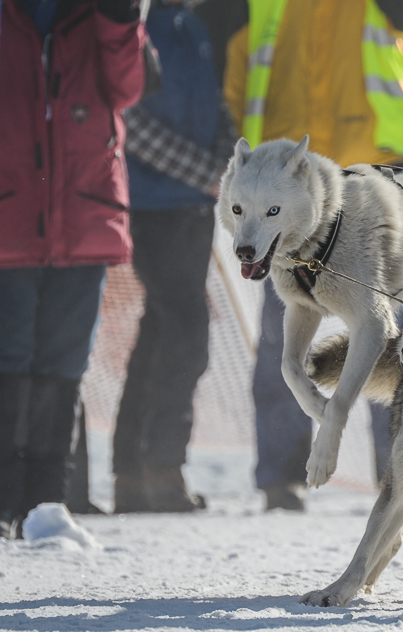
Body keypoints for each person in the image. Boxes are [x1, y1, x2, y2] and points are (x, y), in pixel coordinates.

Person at [223, 0, 403, 510]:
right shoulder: (266, 9)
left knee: (397, 332)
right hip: (292, 190)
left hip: (377, 178)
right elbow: (236, 90)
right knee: (285, 331)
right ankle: (281, 477)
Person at [0, 0, 145, 539]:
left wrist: (121, 18)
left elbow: (128, 89)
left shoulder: (102, 12)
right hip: (10, 216)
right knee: (8, 358)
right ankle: (4, 499)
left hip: (83, 214)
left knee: (62, 364)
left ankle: (45, 503)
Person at [111, 0, 236, 513]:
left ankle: (133, 476)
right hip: (150, 206)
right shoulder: (135, 25)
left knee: (162, 330)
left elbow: (217, 106)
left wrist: (230, 166)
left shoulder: (193, 27)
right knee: (187, 331)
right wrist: (204, 173)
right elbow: (130, 122)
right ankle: (160, 468)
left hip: (195, 207)